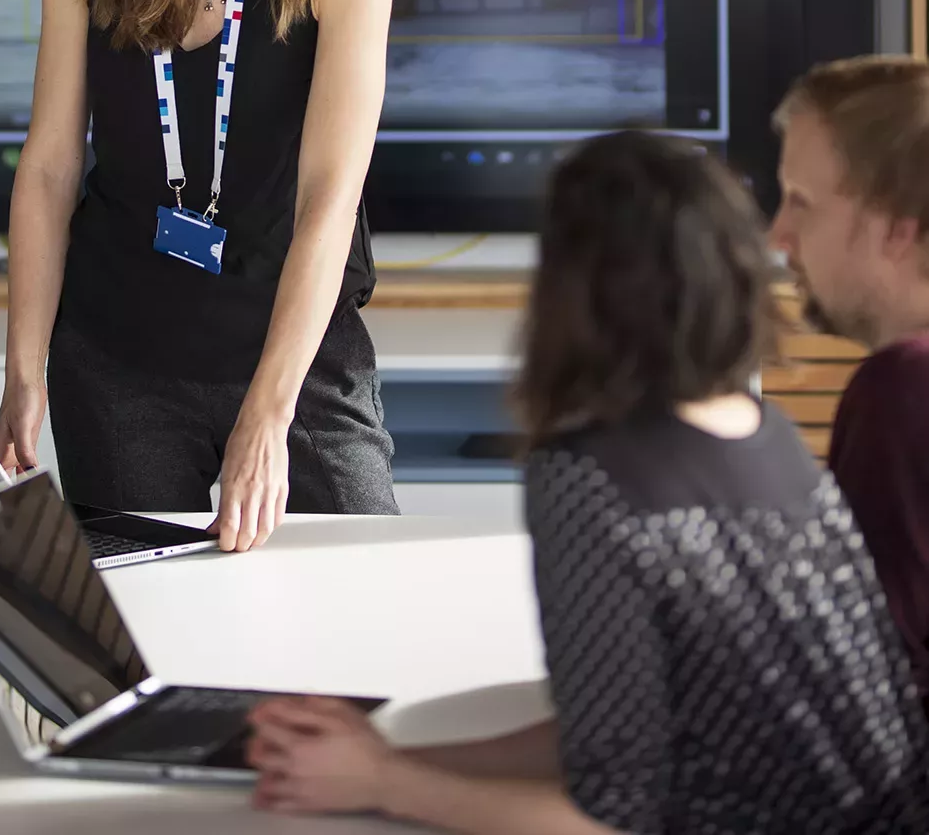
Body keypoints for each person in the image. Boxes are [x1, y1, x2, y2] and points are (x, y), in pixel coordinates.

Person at [247, 131, 929, 833]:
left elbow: (607, 817)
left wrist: (384, 781)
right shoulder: (766, 432)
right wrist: (380, 752)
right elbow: (620, 736)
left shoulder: (587, 477)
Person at [0, 0, 397, 553]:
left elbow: (330, 195)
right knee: (143, 643)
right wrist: (24, 372)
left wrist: (268, 412)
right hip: (117, 356)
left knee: (359, 616)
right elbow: (52, 165)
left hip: (295, 355)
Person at [771, 54, 929, 718]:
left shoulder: (902, 389)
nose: (777, 234)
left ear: (896, 225)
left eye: (799, 203)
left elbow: (854, 698)